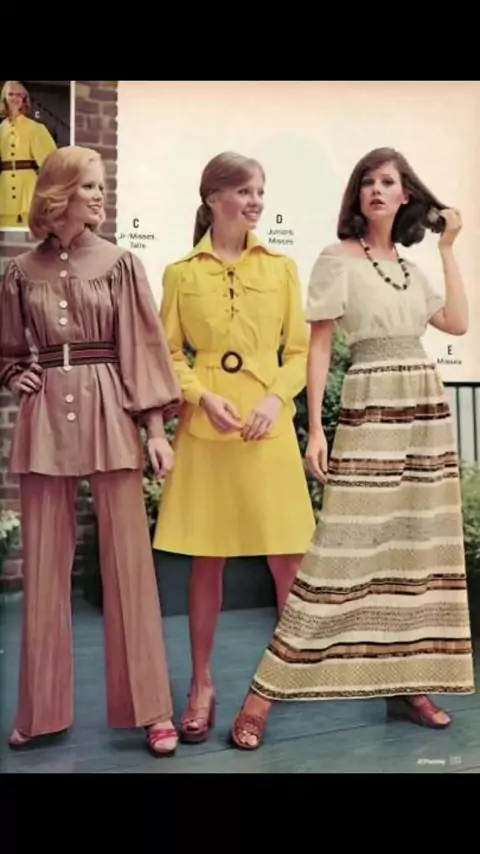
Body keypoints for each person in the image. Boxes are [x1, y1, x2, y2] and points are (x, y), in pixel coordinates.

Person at [230, 146, 476, 749]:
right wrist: (315, 427)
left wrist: (448, 248)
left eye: (388, 181)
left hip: (423, 409)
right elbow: (318, 346)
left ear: (406, 195)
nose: (375, 190)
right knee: (338, 552)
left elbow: (457, 323)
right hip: (370, 405)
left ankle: (408, 683)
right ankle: (263, 694)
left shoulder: (410, 267)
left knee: (417, 550)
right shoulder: (336, 258)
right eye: (367, 181)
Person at [0, 145, 182, 756]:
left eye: (101, 185)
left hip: (111, 410)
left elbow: (144, 352)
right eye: (88, 186)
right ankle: (40, 712)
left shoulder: (121, 264)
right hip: (44, 416)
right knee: (43, 568)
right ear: (59, 195)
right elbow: (7, 349)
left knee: (129, 565)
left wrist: (155, 432)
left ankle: (153, 710)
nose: (100, 195)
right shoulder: (19, 271)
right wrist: (14, 374)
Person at [152, 151, 315, 743]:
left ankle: (268, 689)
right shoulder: (180, 274)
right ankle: (201, 685)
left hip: (268, 430)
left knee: (289, 562)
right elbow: (168, 353)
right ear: (213, 197)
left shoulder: (282, 268)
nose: (255, 202)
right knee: (207, 559)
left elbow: (300, 352)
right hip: (208, 432)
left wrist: (274, 400)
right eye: (244, 191)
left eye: (260, 192)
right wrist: (200, 397)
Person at [0, 80, 57, 228]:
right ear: (4, 97)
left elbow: (51, 163)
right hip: (4, 189)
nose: (15, 98)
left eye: (19, 95)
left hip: (29, 188)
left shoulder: (36, 128)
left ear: (24, 99)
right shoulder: (1, 129)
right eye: (11, 94)